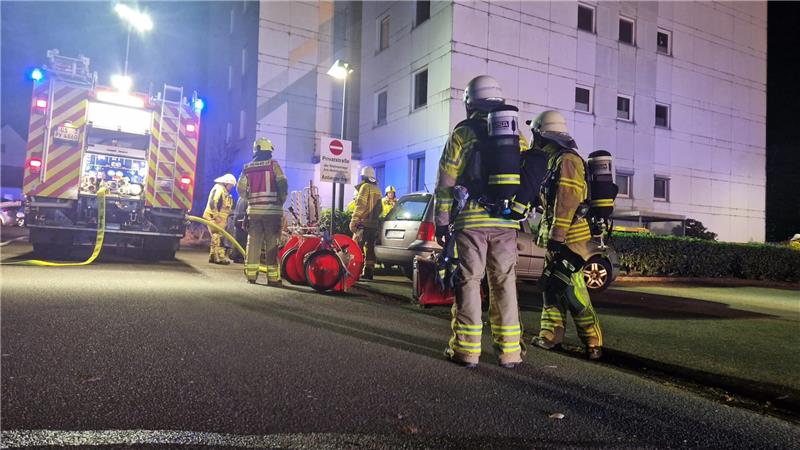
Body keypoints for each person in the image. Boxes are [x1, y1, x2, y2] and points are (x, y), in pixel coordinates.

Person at [434, 75, 528, 369]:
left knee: (469, 281)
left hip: (471, 221)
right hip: (506, 220)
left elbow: (446, 181)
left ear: (469, 103)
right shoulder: (516, 134)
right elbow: (525, 177)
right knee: (504, 282)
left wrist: (442, 220)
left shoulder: (462, 134)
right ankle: (510, 352)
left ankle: (466, 350)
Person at [520, 110, 603, 360]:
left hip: (570, 240)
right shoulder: (553, 160)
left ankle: (593, 341)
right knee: (552, 288)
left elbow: (566, 202)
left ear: (542, 135)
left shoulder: (567, 160)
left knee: (573, 291)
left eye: (535, 134)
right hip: (556, 239)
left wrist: (557, 238)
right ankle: (550, 335)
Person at [237, 137, 288, 285]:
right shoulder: (274, 165)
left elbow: (240, 190)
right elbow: (283, 185)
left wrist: (250, 199)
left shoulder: (247, 168)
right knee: (272, 243)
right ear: (269, 151)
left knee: (253, 243)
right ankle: (272, 278)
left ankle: (251, 276)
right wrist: (280, 201)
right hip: (272, 212)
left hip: (253, 212)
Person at [349, 166, 382, 280]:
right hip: (373, 225)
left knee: (357, 247)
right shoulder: (377, 189)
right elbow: (380, 208)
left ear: (363, 176)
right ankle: (369, 272)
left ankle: (355, 271)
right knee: (370, 248)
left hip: (363, 223)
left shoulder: (364, 187)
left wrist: (354, 220)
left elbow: (360, 205)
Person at [203, 174, 236, 264]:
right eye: (231, 185)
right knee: (218, 237)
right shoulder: (219, 189)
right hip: (214, 217)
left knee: (216, 236)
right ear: (226, 183)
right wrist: (216, 216)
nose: (231, 187)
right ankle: (219, 257)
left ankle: (213, 256)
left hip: (220, 219)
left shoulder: (223, 191)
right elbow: (213, 202)